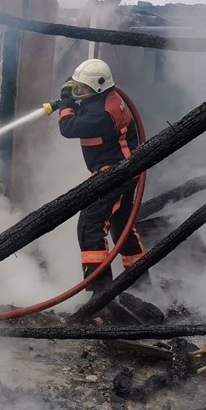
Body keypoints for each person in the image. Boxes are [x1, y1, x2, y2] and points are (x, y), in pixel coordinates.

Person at [51, 58, 144, 298]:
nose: (78, 91)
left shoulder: (103, 114)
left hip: (115, 173)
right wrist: (71, 99)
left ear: (98, 87)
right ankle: (141, 285)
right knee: (122, 227)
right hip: (124, 170)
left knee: (90, 224)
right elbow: (85, 107)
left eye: (83, 88)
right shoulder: (107, 99)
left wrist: (66, 104)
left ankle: (101, 293)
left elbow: (68, 128)